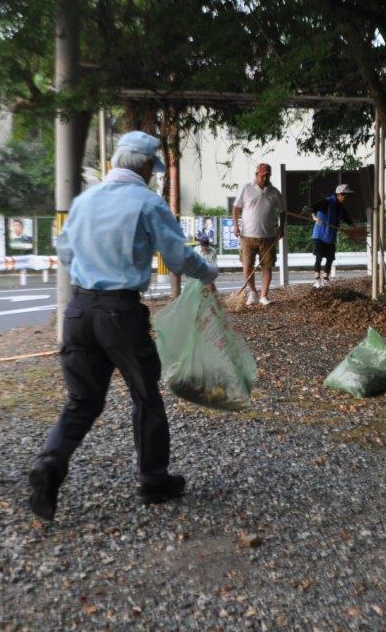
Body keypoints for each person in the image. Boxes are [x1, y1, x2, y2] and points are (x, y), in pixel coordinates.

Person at [28, 131, 219, 520]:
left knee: (82, 400)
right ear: (147, 166)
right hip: (121, 313)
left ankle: (49, 463)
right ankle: (153, 478)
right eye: (154, 168)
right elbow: (177, 257)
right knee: (145, 395)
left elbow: (64, 249)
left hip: (79, 310)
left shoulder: (86, 200)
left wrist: (91, 274)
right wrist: (208, 271)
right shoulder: (148, 203)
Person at [232, 163, 283, 306]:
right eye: (263, 175)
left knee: (267, 266)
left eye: (268, 175)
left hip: (268, 236)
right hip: (247, 235)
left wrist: (281, 228)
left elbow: (282, 211)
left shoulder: (274, 192)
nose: (265, 178)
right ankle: (253, 292)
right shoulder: (247, 189)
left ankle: (263, 296)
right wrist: (235, 226)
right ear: (256, 174)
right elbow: (236, 208)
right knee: (247, 266)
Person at [311, 184, 353, 288]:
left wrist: (354, 228)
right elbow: (312, 208)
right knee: (319, 257)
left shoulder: (341, 207)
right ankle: (317, 280)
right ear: (339, 194)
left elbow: (347, 219)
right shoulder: (327, 202)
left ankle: (325, 279)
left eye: (347, 196)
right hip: (320, 235)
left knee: (330, 258)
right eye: (344, 195)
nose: (346, 198)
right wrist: (315, 218)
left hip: (331, 236)